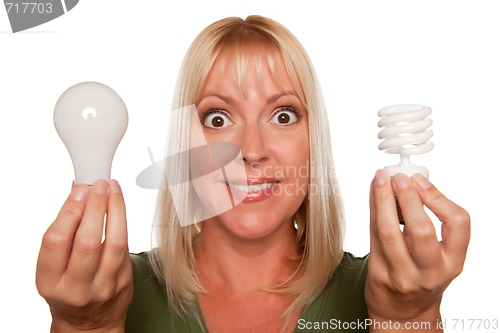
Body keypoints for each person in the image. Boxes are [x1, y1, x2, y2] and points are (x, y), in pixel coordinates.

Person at [36, 15, 470, 333]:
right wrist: (86, 326)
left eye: (283, 115)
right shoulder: (106, 290)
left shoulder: (390, 290)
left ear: (312, 139)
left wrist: (408, 318)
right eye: (218, 119)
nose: (252, 151)